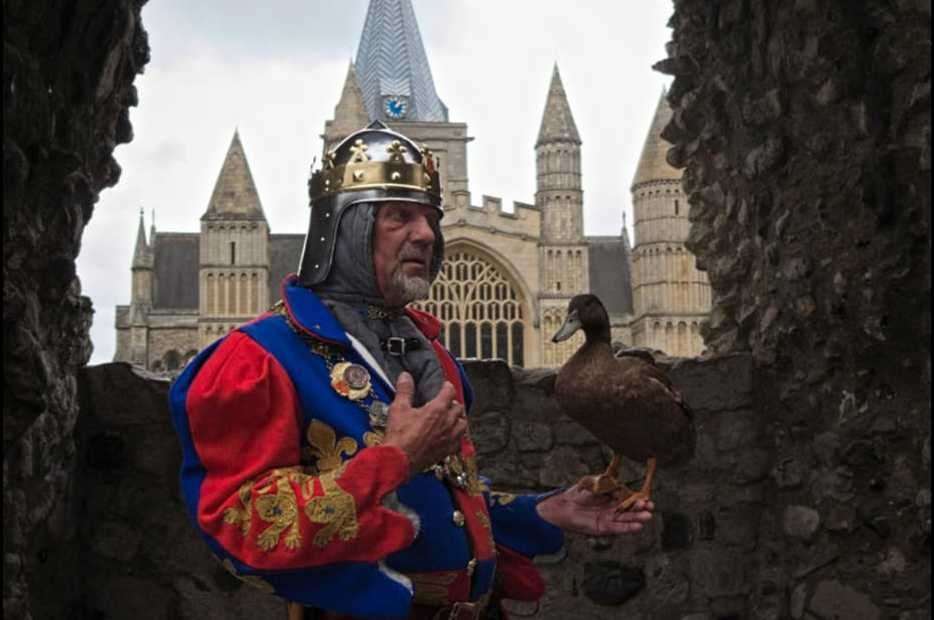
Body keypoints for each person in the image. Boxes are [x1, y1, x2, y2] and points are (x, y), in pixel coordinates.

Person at [169, 122, 654, 620]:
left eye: (430, 219)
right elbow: (239, 524)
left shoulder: (424, 353)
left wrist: (542, 512)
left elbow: (445, 502)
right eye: (399, 217)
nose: (426, 234)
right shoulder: (260, 357)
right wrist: (394, 458)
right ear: (345, 229)